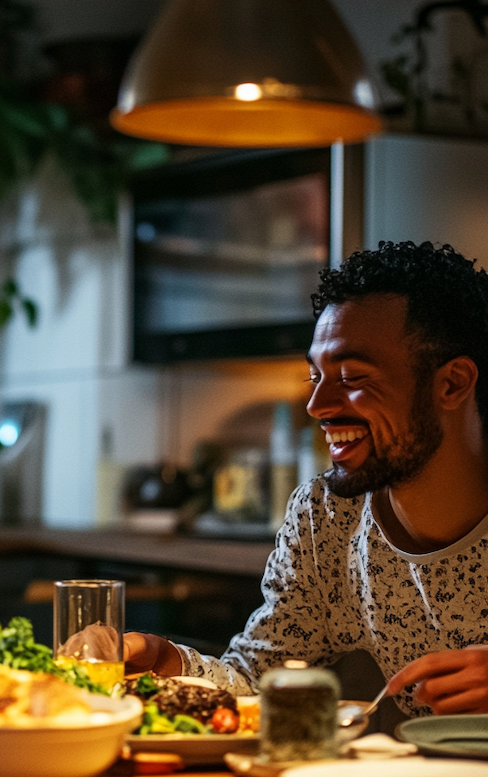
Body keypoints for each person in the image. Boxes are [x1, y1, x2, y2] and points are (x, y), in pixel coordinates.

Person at [125, 240, 488, 718]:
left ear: (452, 383)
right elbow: (258, 683)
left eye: (353, 377)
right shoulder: (327, 520)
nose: (318, 406)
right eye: (315, 377)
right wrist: (164, 660)